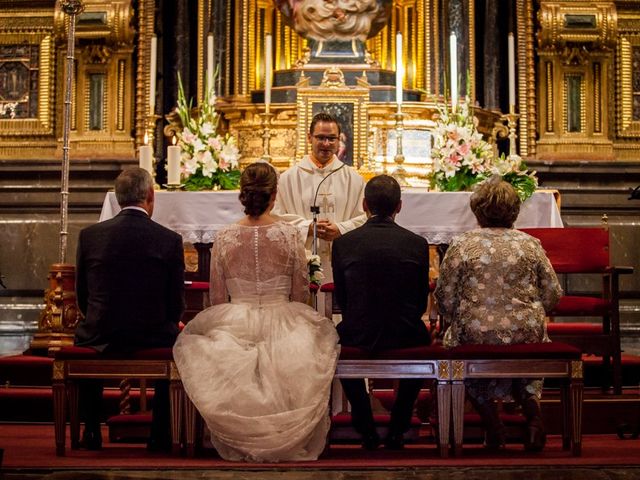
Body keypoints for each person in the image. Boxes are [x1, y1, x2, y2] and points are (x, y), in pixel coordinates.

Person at [173, 162, 340, 462]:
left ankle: (242, 437)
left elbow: (217, 295)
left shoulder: (224, 236)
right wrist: (295, 322)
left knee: (220, 352)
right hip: (284, 314)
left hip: (234, 315)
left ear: (243, 195)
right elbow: (301, 292)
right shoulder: (289, 235)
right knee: (304, 349)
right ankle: (283, 437)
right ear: (274, 195)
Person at [435, 176, 562, 452]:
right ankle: (533, 415)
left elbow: (444, 298)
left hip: (477, 331)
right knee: (523, 347)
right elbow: (553, 294)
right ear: (514, 210)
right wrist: (530, 309)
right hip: (525, 331)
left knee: (456, 345)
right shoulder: (530, 245)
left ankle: (492, 422)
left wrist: (460, 314)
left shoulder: (462, 244)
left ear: (477, 210)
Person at [75, 167, 185, 451]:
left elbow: (83, 294)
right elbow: (175, 302)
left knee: (84, 337)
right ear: (150, 195)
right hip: (152, 334)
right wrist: (169, 323)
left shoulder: (90, 235)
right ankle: (160, 434)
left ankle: (90, 432)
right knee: (175, 340)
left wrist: (100, 319)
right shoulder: (169, 239)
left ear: (118, 198)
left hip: (101, 331)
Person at [331, 174, 431, 450]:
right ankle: (398, 427)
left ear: (364, 204)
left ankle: (365, 425)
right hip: (404, 331)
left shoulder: (344, 243)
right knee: (423, 340)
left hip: (358, 330)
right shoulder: (417, 243)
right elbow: (420, 298)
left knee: (334, 344)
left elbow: (343, 298)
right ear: (399, 206)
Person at [272, 112, 366, 283]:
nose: (326, 144)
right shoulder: (288, 178)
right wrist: (307, 227)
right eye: (320, 138)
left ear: (339, 139)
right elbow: (275, 218)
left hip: (342, 259)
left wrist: (341, 229)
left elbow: (365, 218)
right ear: (309, 138)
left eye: (332, 138)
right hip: (301, 258)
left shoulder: (354, 179)